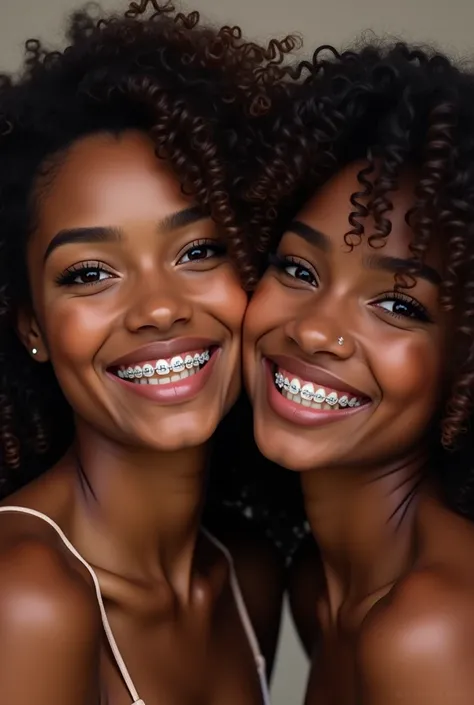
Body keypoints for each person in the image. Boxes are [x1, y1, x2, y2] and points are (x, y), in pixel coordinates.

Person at [0, 2, 296, 702]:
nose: (159, 307)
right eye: (89, 273)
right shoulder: (24, 597)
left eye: (199, 251)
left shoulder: (249, 575)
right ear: (32, 327)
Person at [243, 41, 474, 704]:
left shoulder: (430, 626)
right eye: (296, 269)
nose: (315, 328)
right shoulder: (318, 588)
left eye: (398, 304)